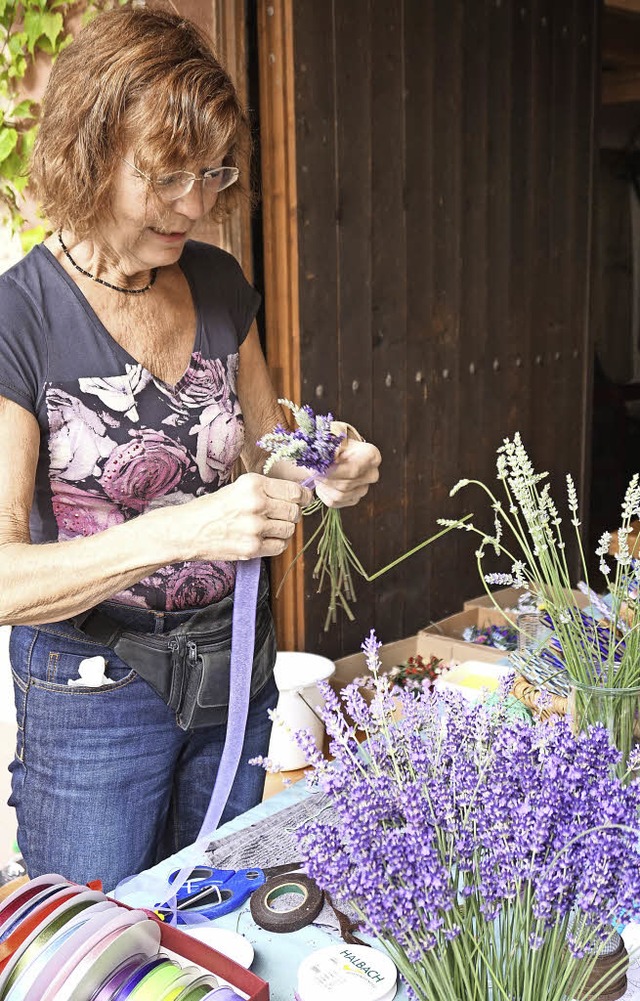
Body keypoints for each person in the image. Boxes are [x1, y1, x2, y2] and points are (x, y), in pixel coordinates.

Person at [0, 6, 380, 891]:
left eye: (211, 173)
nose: (197, 204)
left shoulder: (215, 281)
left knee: (225, 912)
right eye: (166, 176)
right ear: (89, 157)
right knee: (97, 945)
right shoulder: (20, 316)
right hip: (91, 693)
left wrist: (328, 464)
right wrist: (187, 530)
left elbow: (264, 448)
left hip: (232, 671)